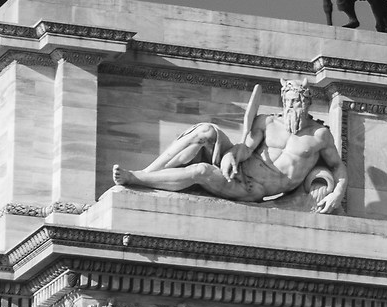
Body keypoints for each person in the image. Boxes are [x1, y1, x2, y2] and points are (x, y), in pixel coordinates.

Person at [114, 77, 346, 214]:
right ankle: (148, 173)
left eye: (295, 102)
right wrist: (231, 155)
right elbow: (246, 146)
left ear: (306, 103)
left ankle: (135, 178)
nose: (290, 107)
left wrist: (338, 192)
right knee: (205, 131)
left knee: (200, 171)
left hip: (253, 189)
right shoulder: (268, 121)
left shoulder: (320, 136)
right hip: (239, 169)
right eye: (287, 101)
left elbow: (338, 167)